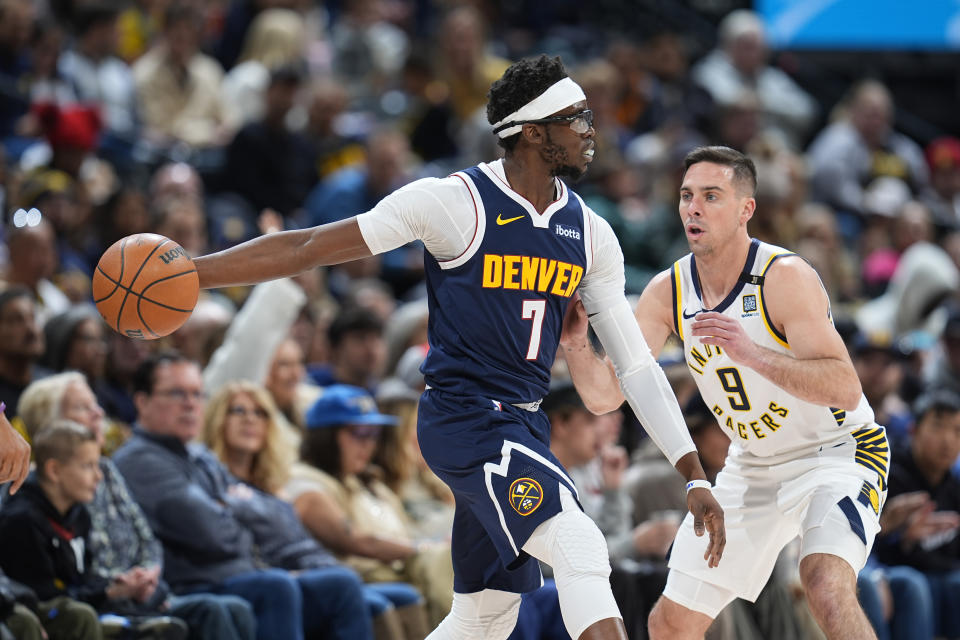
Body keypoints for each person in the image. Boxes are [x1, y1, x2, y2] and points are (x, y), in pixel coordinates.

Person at [187, 54, 723, 640]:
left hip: (523, 422)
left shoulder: (591, 232)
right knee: (578, 542)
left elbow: (637, 366)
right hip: (463, 416)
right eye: (577, 117)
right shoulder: (453, 202)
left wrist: (692, 473)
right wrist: (195, 273)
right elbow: (309, 246)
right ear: (535, 132)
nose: (592, 130)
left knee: (486, 616)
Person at [560, 145, 887, 640]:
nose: (693, 207)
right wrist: (576, 345)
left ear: (745, 209)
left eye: (711, 196)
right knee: (669, 624)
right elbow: (606, 397)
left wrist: (754, 354)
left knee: (822, 581)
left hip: (837, 453)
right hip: (753, 464)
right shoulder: (667, 291)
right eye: (687, 195)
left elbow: (843, 387)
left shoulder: (784, 277)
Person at [112, 351, 374, 640]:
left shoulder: (200, 456)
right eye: (177, 394)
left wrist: (230, 508)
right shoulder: (140, 461)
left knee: (341, 585)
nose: (190, 404)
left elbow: (282, 522)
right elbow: (211, 533)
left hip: (242, 574)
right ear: (142, 402)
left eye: (197, 394)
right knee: (275, 587)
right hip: (194, 584)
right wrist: (242, 514)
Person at [17, 372, 258, 640]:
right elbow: (78, 573)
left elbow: (145, 536)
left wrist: (148, 577)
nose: (98, 413)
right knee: (213, 611)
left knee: (237, 609)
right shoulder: (37, 497)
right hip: (106, 598)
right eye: (83, 407)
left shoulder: (106, 470)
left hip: (141, 591)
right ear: (50, 424)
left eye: (96, 404)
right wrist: (120, 587)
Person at [0, 420, 189, 638]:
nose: (98, 476)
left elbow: (83, 578)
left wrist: (120, 584)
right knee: (78, 616)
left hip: (80, 606)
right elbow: (41, 595)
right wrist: (107, 592)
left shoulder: (78, 513)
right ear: (54, 470)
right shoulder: (22, 521)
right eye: (87, 466)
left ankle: (124, 625)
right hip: (46, 613)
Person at [874, 389, 960, 639]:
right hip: (893, 573)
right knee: (917, 584)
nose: (948, 441)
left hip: (940, 576)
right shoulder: (887, 475)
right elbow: (870, 550)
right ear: (913, 430)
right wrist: (899, 537)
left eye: (956, 431)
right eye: (937, 427)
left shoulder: (953, 487)